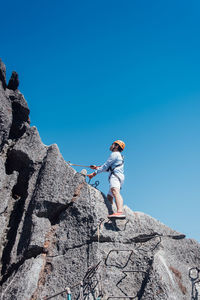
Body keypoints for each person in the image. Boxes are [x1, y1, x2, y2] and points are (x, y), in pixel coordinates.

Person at [88, 140, 125, 219]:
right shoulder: (118, 155)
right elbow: (108, 168)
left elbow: (105, 166)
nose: (111, 145)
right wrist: (97, 167)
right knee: (109, 197)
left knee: (115, 191)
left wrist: (94, 174)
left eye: (113, 144)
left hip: (115, 176)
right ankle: (111, 215)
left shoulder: (114, 154)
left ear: (117, 146)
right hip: (118, 176)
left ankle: (119, 212)